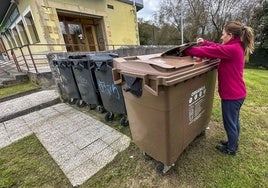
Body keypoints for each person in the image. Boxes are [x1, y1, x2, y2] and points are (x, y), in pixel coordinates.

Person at [184, 21, 254, 156]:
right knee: (234, 121)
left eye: (223, 34)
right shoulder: (236, 46)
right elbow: (217, 47)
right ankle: (233, 143)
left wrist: (186, 50)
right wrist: (204, 41)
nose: (222, 37)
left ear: (230, 35)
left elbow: (209, 51)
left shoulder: (232, 49)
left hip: (232, 95)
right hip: (237, 93)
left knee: (230, 123)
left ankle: (231, 149)